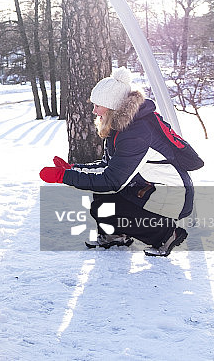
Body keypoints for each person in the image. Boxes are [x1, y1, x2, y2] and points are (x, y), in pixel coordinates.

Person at [39, 67, 193, 257]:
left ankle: (167, 234)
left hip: (172, 194)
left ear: (113, 106)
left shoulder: (136, 133)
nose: (94, 110)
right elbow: (108, 166)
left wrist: (65, 177)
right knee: (102, 197)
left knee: (109, 205)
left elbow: (113, 181)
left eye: (98, 105)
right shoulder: (122, 126)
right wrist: (73, 169)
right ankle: (115, 235)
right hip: (149, 186)